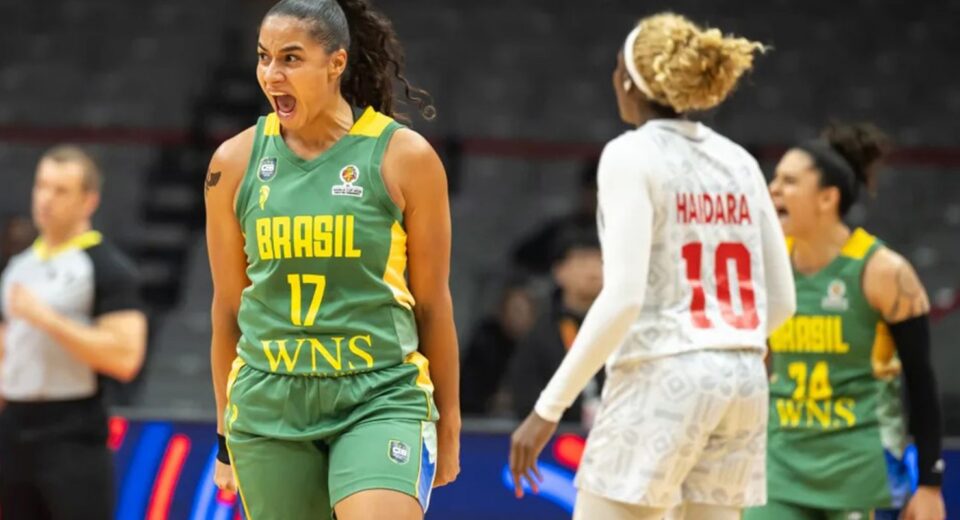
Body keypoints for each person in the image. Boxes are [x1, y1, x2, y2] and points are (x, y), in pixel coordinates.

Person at [509, 13, 796, 520]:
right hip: (743, 374)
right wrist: (729, 341)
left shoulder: (629, 154)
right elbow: (782, 299)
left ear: (629, 81)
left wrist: (547, 408)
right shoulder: (740, 162)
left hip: (665, 372)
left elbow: (623, 298)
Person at [203, 1, 460, 519]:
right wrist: (225, 435)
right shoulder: (233, 163)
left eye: (291, 58)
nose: (272, 75)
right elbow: (228, 310)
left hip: (379, 393)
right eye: (264, 58)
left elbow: (433, 304)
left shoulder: (404, 157)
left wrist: (449, 423)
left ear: (336, 63)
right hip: (269, 399)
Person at [744, 124, 946, 520]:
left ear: (827, 197)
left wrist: (929, 483)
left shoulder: (884, 272)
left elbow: (922, 383)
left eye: (789, 181)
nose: (772, 190)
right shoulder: (769, 263)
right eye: (774, 179)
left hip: (861, 464)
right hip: (782, 462)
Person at [0, 145, 148, 520]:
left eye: (60, 190)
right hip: (13, 431)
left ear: (89, 201)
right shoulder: (17, 266)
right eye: (42, 186)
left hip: (72, 434)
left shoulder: (107, 267)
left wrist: (45, 318)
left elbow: (125, 358)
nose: (46, 198)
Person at [509, 226, 604, 426]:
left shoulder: (623, 328)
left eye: (599, 260)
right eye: (582, 261)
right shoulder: (540, 335)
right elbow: (526, 402)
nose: (593, 270)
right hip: (558, 443)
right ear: (559, 271)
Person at [461, 277, 535, 416]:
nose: (520, 317)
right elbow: (469, 390)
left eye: (526, 311)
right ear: (502, 312)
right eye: (516, 310)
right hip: (482, 421)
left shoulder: (539, 345)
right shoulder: (484, 344)